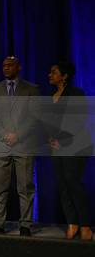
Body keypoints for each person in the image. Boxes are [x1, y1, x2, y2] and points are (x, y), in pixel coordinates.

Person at [0, 56, 40, 236]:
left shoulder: (31, 89)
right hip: (1, 144)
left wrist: (18, 135)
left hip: (23, 144)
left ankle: (26, 225)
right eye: (4, 66)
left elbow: (34, 116)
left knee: (25, 187)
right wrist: (4, 135)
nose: (6, 68)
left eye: (10, 65)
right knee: (0, 188)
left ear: (19, 67)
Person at [46, 61, 93, 241]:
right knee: (63, 185)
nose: (50, 75)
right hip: (56, 147)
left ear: (64, 76)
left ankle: (85, 225)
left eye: (54, 72)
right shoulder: (51, 95)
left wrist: (62, 139)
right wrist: (50, 138)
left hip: (76, 146)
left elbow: (78, 121)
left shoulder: (76, 93)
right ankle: (72, 223)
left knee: (73, 183)